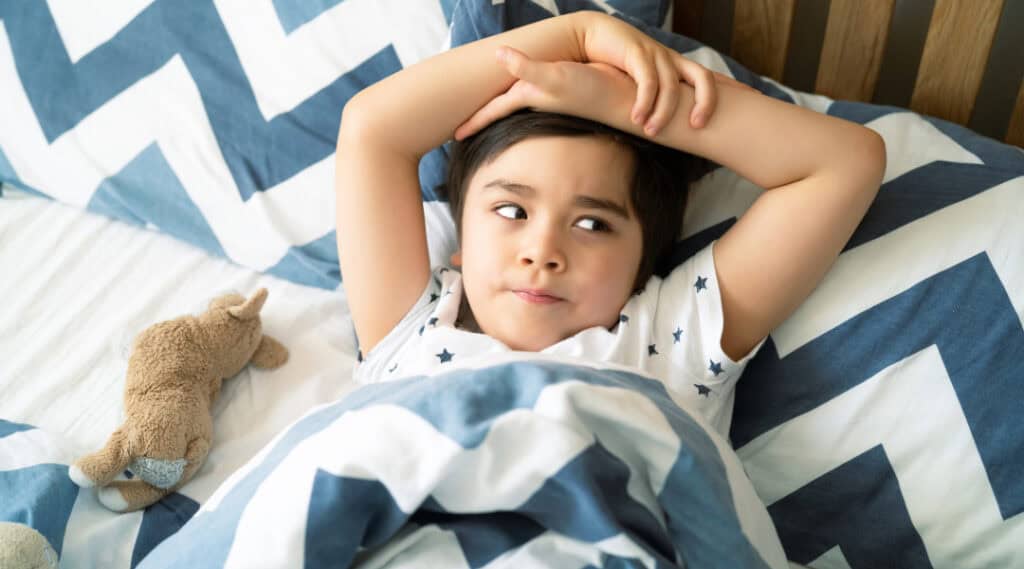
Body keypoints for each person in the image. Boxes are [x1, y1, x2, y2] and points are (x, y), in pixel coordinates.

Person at [334, 10, 885, 436]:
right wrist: (581, 36)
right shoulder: (411, 331)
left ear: (641, 262)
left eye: (594, 224)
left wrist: (625, 105)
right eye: (511, 211)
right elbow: (371, 128)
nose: (542, 251)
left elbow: (845, 163)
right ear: (462, 239)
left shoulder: (667, 343)